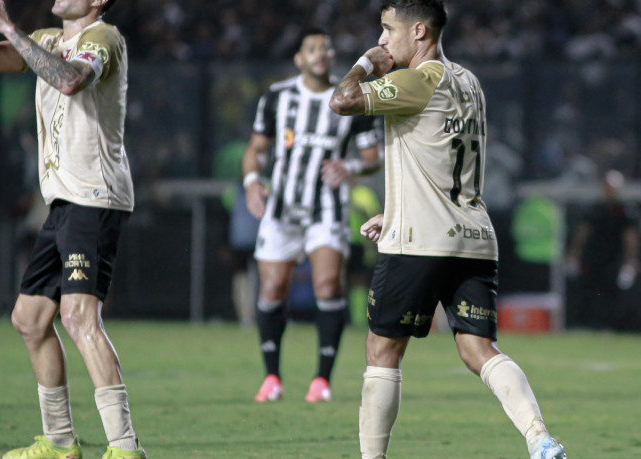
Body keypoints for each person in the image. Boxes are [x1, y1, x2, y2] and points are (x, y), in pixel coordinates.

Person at [328, 1, 566, 458]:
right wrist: (394, 210)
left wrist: (365, 64)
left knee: (382, 350)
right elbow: (438, 158)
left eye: (386, 30)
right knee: (479, 348)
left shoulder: (418, 80)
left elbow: (342, 101)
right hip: (473, 234)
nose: (381, 41)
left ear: (418, 31)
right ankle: (540, 440)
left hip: (420, 241)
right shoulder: (469, 82)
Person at [0, 0, 145, 457]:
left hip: (95, 196)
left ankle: (124, 446)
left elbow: (71, 79)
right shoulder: (47, 39)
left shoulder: (104, 37)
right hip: (63, 201)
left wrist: (4, 24)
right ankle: (59, 443)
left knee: (78, 317)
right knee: (30, 319)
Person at [242, 28, 382, 403]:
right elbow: (255, 149)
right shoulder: (277, 96)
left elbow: (374, 158)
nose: (322, 53)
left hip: (328, 208)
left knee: (326, 286)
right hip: (282, 207)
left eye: (327, 46)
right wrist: (253, 181)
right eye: (313, 48)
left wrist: (350, 166)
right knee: (271, 289)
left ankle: (322, 381)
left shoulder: (352, 97)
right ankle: (272, 376)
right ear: (299, 59)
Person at [565, 169, 641, 329]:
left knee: (611, 292)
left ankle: (609, 325)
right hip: (593, 257)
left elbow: (630, 237)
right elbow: (583, 231)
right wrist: (574, 252)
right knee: (588, 290)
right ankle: (586, 323)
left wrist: (631, 259)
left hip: (614, 258)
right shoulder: (595, 208)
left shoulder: (625, 210)